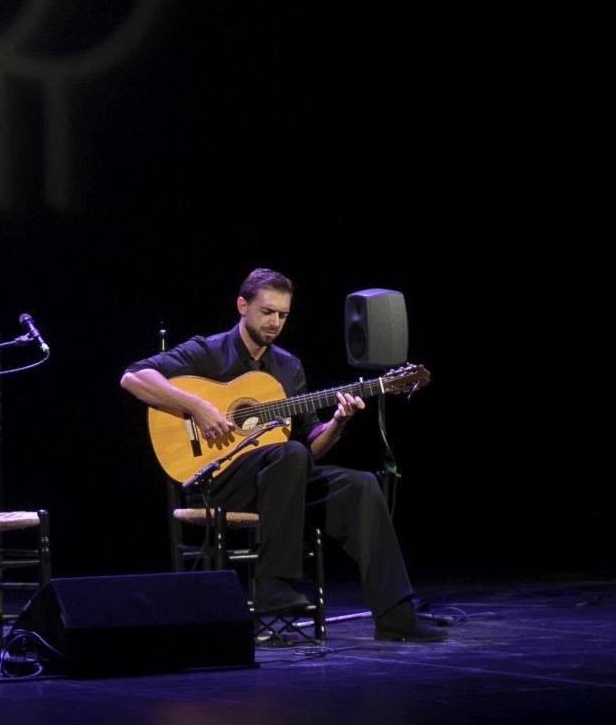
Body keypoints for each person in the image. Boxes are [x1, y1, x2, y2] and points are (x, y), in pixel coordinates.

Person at [119, 267, 448, 641]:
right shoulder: (208, 351)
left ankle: (395, 615)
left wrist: (338, 422)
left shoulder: (288, 367)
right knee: (289, 453)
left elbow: (312, 446)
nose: (275, 322)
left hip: (280, 482)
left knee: (360, 485)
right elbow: (133, 377)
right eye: (267, 312)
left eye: (283, 315)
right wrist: (197, 406)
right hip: (218, 480)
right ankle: (272, 582)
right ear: (242, 306)